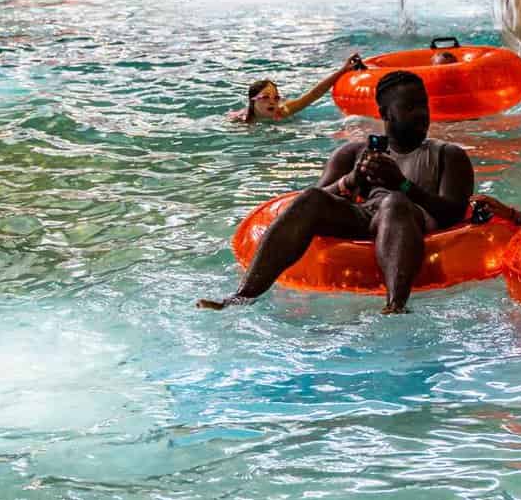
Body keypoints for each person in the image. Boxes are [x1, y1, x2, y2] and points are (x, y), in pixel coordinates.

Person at [200, 70, 478, 314]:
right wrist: (352, 179)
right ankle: (243, 295)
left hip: (411, 220)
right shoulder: (355, 152)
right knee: (310, 197)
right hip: (362, 217)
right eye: (409, 107)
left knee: (394, 202)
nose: (421, 114)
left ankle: (395, 305)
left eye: (423, 105)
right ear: (385, 114)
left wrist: (402, 185)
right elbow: (314, 201)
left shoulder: (448, 156)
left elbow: (454, 212)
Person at [234, 54, 365, 124]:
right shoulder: (241, 120)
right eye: (265, 97)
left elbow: (313, 94)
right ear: (252, 101)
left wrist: (342, 71)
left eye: (276, 97)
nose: (272, 101)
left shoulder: (284, 111)